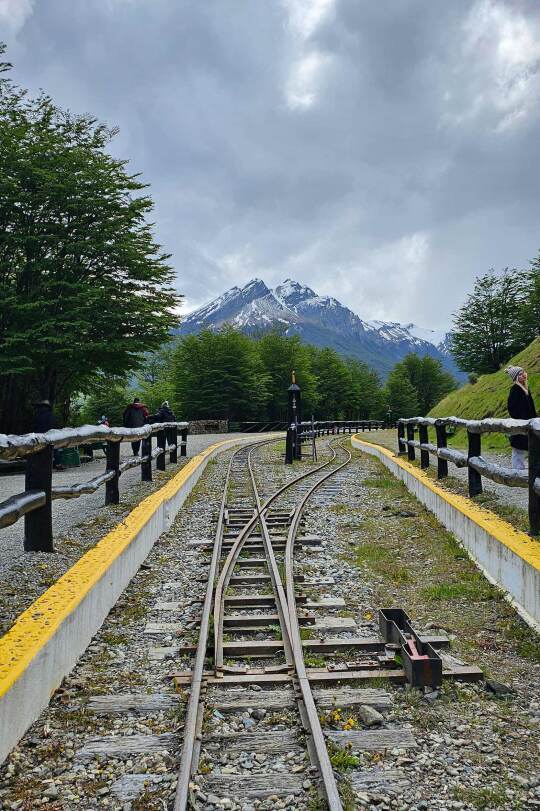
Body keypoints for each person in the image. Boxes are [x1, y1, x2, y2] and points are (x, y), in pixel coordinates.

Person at [506, 366, 537, 470]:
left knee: (533, 448)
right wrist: (520, 420)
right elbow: (511, 408)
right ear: (516, 378)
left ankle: (534, 472)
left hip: (530, 424)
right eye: (520, 374)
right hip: (520, 425)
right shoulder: (515, 389)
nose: (523, 375)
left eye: (523, 372)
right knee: (518, 450)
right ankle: (517, 473)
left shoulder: (526, 389)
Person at [34, 400, 64, 470]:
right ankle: (58, 464)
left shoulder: (37, 414)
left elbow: (35, 425)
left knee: (40, 450)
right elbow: (54, 424)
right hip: (50, 434)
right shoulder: (50, 414)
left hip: (39, 435)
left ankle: (41, 465)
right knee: (54, 448)